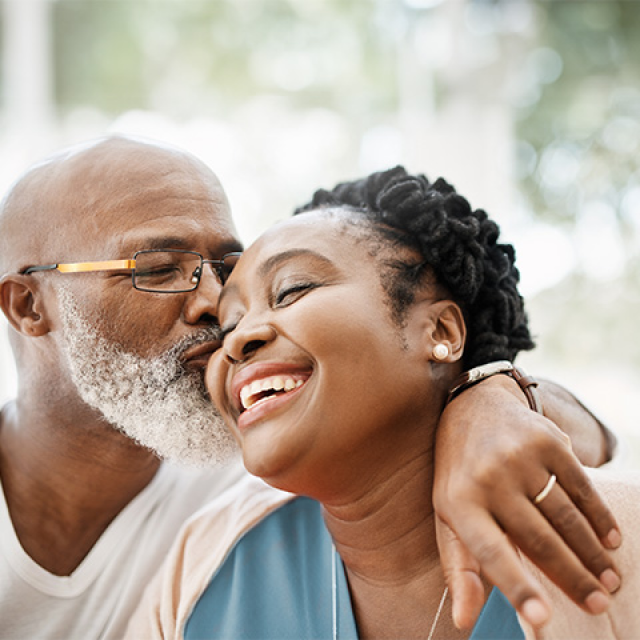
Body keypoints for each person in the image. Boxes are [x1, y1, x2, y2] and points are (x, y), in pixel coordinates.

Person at [0, 139, 620, 639]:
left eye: (225, 270)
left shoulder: (256, 465)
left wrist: (490, 396)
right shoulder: (219, 544)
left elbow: (594, 436)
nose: (218, 310)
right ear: (29, 307)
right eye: (159, 270)